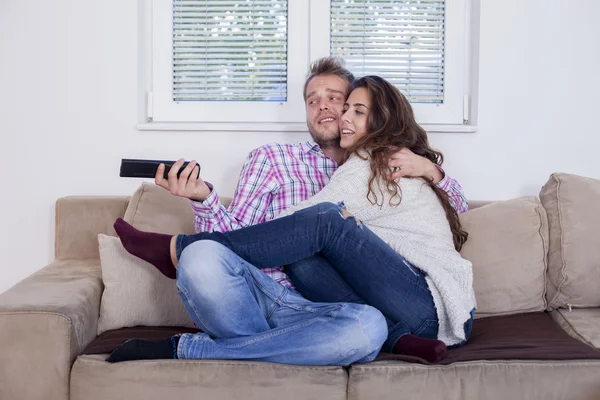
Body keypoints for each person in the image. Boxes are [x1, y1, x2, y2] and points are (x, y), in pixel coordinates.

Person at [108, 75, 476, 365]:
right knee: (302, 254)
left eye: (345, 103)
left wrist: (433, 170)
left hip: (424, 306)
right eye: (314, 100)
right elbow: (273, 237)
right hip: (304, 302)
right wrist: (204, 200)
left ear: (382, 119)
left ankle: (179, 274)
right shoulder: (274, 158)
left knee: (325, 224)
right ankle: (396, 338)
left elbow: (307, 221)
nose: (336, 111)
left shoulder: (384, 160)